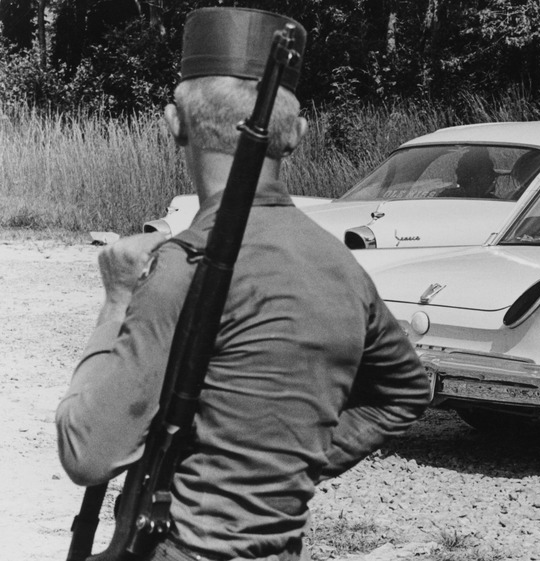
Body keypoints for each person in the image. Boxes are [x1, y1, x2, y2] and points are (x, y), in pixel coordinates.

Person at [55, 7, 430, 560]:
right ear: (298, 134)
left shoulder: (185, 266)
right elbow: (404, 391)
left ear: (173, 123)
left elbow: (86, 451)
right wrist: (281, 466)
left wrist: (115, 300)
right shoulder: (343, 268)